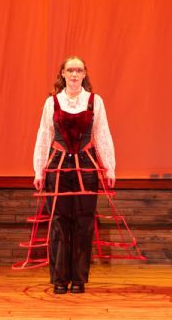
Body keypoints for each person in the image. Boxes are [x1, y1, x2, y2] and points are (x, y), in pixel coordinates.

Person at [33, 56, 115, 294]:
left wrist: (109, 167)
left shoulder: (94, 101)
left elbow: (102, 133)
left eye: (79, 70)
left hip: (86, 167)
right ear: (63, 73)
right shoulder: (52, 102)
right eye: (70, 70)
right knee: (59, 221)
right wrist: (39, 169)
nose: (74, 74)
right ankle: (60, 279)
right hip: (58, 167)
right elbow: (44, 135)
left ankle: (79, 279)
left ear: (84, 74)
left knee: (84, 221)